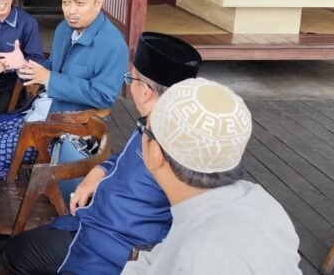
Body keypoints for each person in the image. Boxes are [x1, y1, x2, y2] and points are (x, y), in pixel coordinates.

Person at [2, 32, 202, 275]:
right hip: (97, 217)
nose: (129, 84)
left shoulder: (175, 147)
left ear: (146, 92)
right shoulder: (156, 121)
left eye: (131, 79)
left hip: (110, 245)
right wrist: (98, 171)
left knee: (16, 253)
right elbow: (126, 159)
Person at [0, 0, 128, 234]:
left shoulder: (112, 45)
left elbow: (104, 96)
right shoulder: (64, 29)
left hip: (62, 128)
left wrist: (50, 79)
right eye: (66, 2)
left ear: (99, 2)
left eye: (79, 3)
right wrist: (22, 64)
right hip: (39, 111)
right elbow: (53, 67)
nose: (71, 11)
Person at [123, 78, 300, 274]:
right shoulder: (259, 201)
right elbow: (162, 256)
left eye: (144, 126)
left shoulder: (203, 257)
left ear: (155, 153)